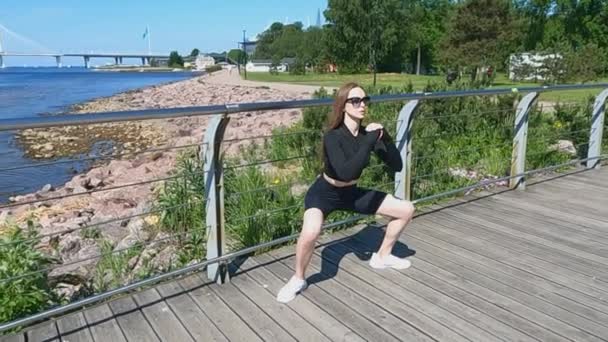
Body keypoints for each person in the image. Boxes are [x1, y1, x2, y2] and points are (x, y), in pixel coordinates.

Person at [276, 82, 416, 303]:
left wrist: (385, 138)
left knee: (406, 209)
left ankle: (382, 256)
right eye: (355, 101)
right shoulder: (333, 136)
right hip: (325, 193)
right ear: (343, 106)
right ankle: (298, 278)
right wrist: (370, 140)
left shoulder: (365, 134)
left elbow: (397, 165)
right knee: (311, 232)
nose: (362, 105)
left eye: (364, 100)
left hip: (351, 194)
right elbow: (345, 171)